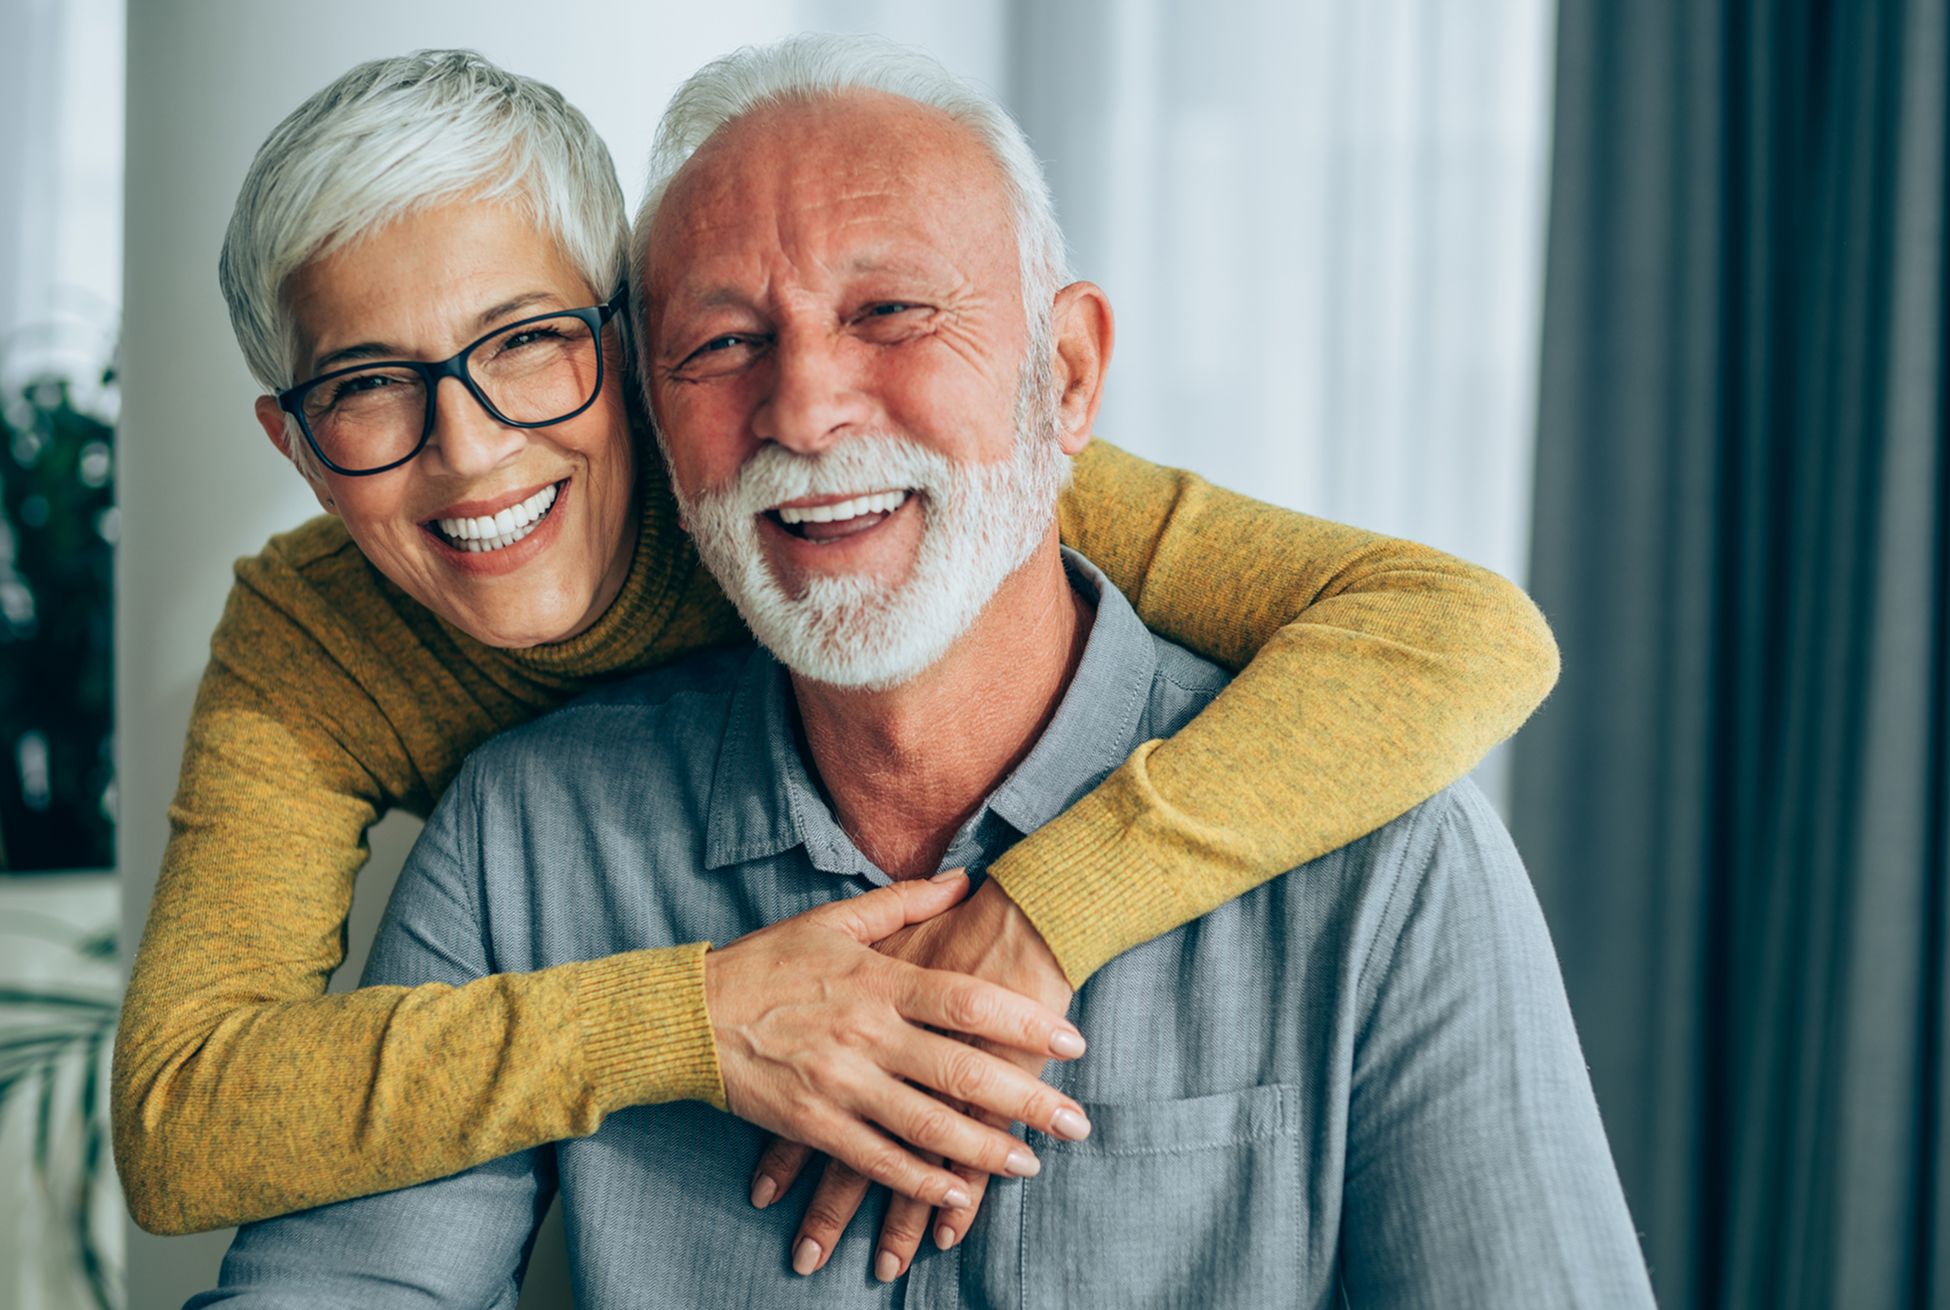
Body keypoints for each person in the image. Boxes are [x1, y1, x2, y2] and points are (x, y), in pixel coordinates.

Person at [186, 36, 1652, 1307]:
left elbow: (1462, 627)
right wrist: (686, 1021)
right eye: (724, 340)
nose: (809, 408)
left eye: (890, 313)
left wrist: (1045, 908)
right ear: (658, 388)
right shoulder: (519, 832)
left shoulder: (1380, 861)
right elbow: (202, 1126)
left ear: (1064, 378)